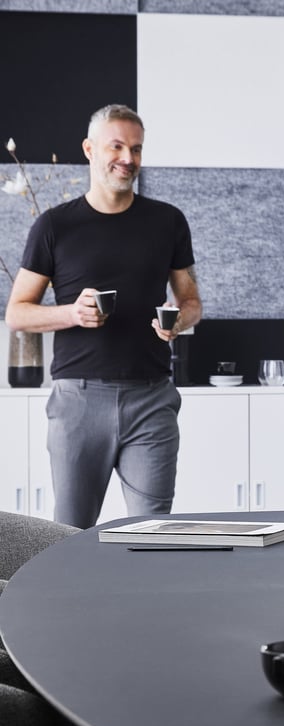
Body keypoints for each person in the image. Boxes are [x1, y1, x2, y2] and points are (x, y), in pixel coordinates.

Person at [5, 104, 202, 528]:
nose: (128, 158)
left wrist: (178, 319)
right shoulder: (54, 226)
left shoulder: (168, 221)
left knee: (154, 535)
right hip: (78, 401)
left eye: (136, 148)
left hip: (152, 399)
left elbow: (191, 302)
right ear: (89, 149)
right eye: (116, 146)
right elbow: (17, 314)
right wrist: (72, 314)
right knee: (70, 536)